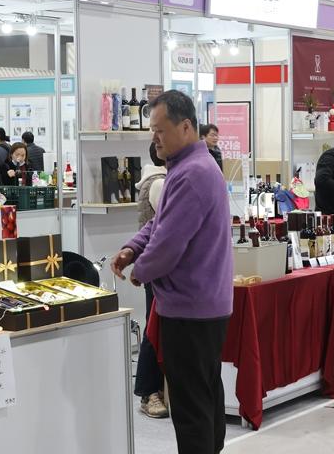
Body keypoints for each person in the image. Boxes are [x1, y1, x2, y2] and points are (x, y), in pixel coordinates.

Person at [111, 91, 232, 454]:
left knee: (191, 405)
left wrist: (140, 271)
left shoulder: (192, 174)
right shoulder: (189, 168)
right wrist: (132, 248)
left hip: (190, 307)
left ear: (185, 126)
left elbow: (167, 243)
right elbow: (160, 224)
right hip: (204, 305)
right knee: (206, 394)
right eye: (152, 129)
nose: (154, 137)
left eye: (160, 129)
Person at [133, 142, 169, 419]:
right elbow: (161, 228)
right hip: (158, 267)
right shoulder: (159, 184)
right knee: (153, 327)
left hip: (160, 266)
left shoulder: (162, 180)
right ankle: (148, 391)